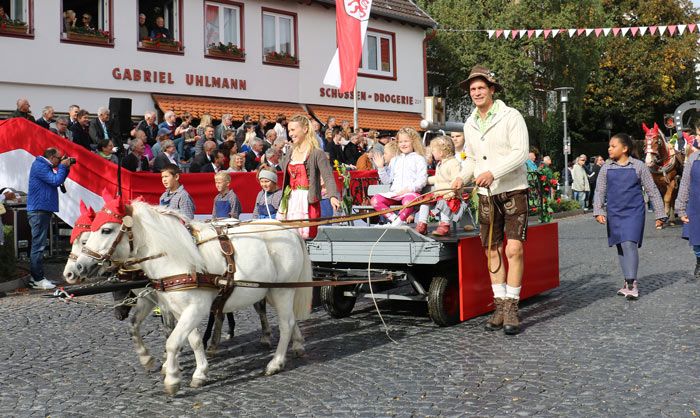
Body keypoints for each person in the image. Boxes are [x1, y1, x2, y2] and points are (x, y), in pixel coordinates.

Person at [451, 65, 529, 335]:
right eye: (472, 89)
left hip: (513, 190)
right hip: (485, 195)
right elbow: (471, 158)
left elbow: (521, 153)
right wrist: (462, 177)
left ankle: (511, 307)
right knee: (491, 250)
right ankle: (498, 305)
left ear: (492, 90)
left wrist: (493, 172)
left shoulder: (511, 116)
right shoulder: (470, 122)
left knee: (514, 250)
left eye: (481, 87)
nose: (476, 92)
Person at [593, 133, 665, 299]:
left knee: (629, 244)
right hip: (614, 212)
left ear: (625, 148)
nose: (609, 149)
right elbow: (600, 191)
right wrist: (598, 210)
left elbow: (652, 190)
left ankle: (632, 283)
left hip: (634, 212)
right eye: (609, 146)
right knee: (620, 245)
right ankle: (627, 281)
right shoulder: (606, 167)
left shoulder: (639, 166)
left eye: (613, 146)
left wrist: (660, 213)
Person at [278, 115, 340, 239]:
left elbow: (328, 177)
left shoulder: (317, 153)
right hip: (291, 198)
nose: (290, 134)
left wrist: (333, 196)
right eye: (289, 130)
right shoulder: (290, 152)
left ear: (305, 129)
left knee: (307, 236)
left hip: (308, 199)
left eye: (293, 130)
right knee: (288, 236)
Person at [27, 148, 73, 290]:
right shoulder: (40, 165)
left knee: (39, 245)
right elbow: (55, 180)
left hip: (42, 210)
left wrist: (66, 168)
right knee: (38, 246)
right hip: (38, 210)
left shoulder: (44, 166)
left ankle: (37, 277)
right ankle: (37, 279)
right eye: (59, 159)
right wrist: (63, 167)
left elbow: (59, 180)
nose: (60, 161)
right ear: (52, 157)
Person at [370, 127, 427, 227]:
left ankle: (396, 223)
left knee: (408, 202)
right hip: (395, 193)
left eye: (406, 141)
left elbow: (422, 180)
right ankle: (396, 220)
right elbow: (387, 180)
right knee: (375, 199)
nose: (403, 144)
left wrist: (408, 189)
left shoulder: (419, 159)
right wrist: (381, 168)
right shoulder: (395, 160)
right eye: (400, 142)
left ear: (413, 142)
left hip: (411, 194)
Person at [415, 136, 462, 236]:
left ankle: (445, 225)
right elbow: (438, 178)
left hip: (450, 194)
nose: (432, 153)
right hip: (439, 193)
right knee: (425, 200)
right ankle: (422, 223)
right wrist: (424, 181)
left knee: (444, 201)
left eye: (433, 151)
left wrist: (451, 192)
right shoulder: (440, 164)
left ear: (441, 152)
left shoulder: (453, 163)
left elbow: (456, 179)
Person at [677, 142, 700, 280]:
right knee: (697, 237)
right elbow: (685, 183)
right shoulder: (693, 158)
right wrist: (680, 207)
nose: (698, 138)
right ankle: (699, 261)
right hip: (696, 204)